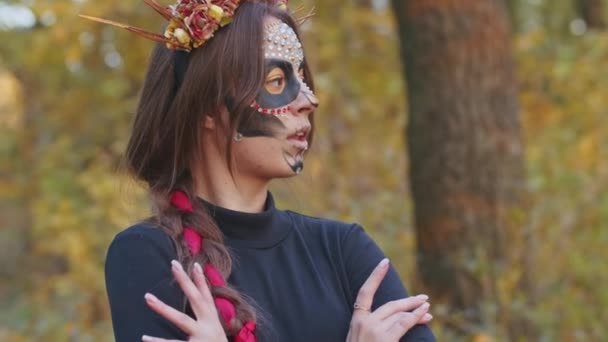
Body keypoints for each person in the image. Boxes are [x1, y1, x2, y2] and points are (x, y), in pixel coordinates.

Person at [83, 0, 436, 341]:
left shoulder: (344, 251)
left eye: (303, 78)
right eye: (278, 82)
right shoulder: (150, 257)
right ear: (208, 105)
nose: (309, 101)